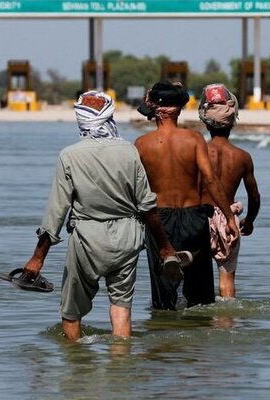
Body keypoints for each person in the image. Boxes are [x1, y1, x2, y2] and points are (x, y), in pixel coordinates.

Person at [21, 91, 180, 342]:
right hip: (128, 236)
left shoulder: (70, 156)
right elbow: (147, 206)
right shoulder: (129, 152)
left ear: (81, 121)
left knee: (72, 312)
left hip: (87, 238)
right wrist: (165, 247)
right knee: (121, 306)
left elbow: (56, 212)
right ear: (109, 118)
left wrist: (37, 259)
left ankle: (76, 359)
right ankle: (121, 359)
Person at [134, 81, 239, 311]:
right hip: (193, 219)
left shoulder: (141, 144)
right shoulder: (194, 139)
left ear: (155, 111)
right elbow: (210, 180)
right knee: (200, 299)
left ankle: (164, 330)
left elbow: (135, 190)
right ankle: (197, 332)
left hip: (159, 221)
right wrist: (230, 217)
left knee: (164, 299)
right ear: (179, 110)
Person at [198, 83, 261, 299]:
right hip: (228, 220)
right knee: (227, 281)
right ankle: (227, 317)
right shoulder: (242, 157)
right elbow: (254, 196)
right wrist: (249, 221)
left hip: (200, 217)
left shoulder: (199, 152)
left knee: (195, 277)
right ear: (233, 121)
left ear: (205, 122)